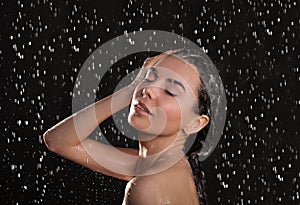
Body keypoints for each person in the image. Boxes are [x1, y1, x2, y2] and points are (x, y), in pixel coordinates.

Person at [43, 48, 222, 205]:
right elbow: (57, 141)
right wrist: (130, 90)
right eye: (150, 77)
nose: (148, 89)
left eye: (170, 91)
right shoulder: (161, 165)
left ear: (195, 123)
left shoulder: (151, 185)